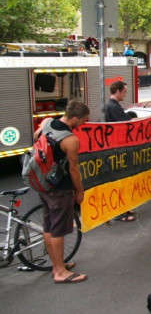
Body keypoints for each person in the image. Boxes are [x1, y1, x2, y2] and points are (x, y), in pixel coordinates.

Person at [34, 101, 90, 283]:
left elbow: (36, 137)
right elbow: (74, 169)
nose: (84, 124)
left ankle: (56, 264)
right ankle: (60, 272)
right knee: (58, 229)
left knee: (48, 226)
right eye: (83, 120)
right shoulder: (71, 140)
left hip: (43, 184)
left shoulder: (47, 122)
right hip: (60, 189)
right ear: (74, 118)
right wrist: (79, 191)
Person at [105, 81, 136, 222]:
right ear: (117, 91)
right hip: (116, 149)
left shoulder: (113, 106)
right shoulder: (114, 107)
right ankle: (119, 213)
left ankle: (124, 208)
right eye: (124, 92)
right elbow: (126, 122)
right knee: (119, 180)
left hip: (116, 148)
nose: (125, 94)